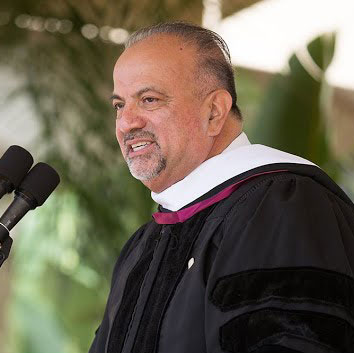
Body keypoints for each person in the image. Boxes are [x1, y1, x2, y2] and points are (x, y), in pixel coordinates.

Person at [89, 22, 354, 353]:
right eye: (119, 105)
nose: (127, 122)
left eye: (149, 99)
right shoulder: (143, 246)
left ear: (214, 112)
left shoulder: (283, 208)